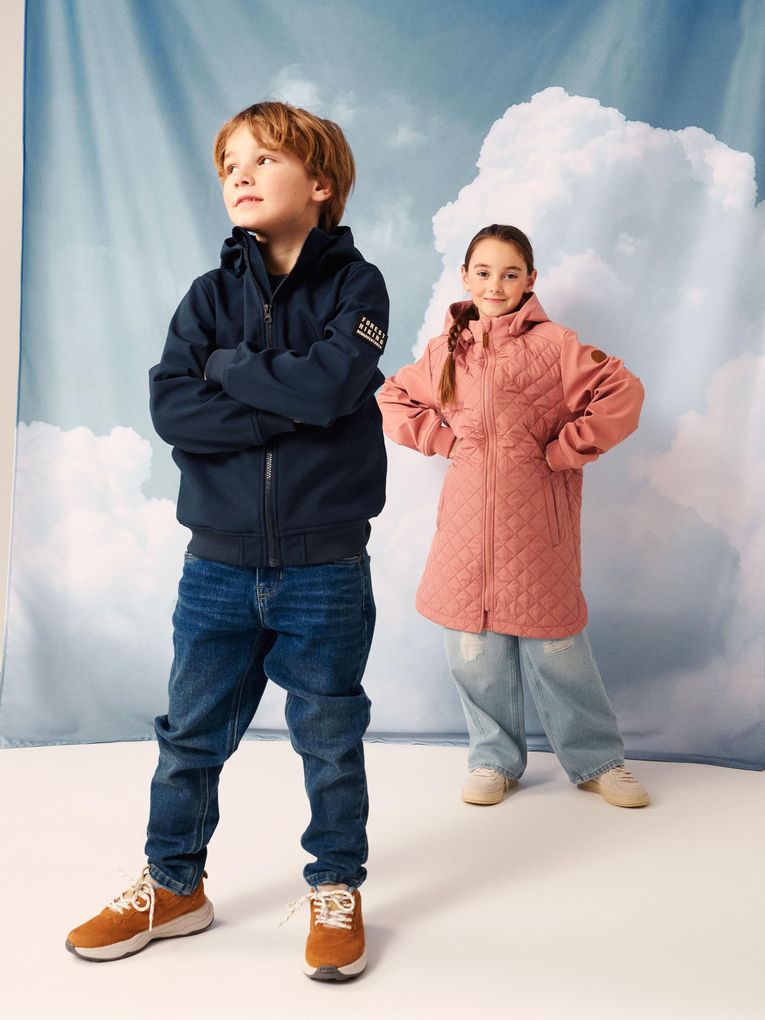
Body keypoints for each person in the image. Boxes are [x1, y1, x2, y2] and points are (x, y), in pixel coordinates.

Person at [66, 101, 389, 981]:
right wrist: (288, 408)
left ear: (319, 184)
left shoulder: (358, 289)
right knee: (189, 736)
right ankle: (174, 886)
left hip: (325, 565)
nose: (239, 175)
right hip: (215, 563)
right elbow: (174, 408)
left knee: (328, 737)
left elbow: (333, 388)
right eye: (228, 165)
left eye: (263, 159)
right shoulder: (206, 299)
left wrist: (235, 371)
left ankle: (335, 885)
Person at [377, 224, 649, 810]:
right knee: (474, 652)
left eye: (509, 273)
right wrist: (443, 439)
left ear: (530, 279)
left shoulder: (557, 345)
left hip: (539, 528)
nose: (495, 285)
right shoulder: (446, 349)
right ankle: (493, 760)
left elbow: (623, 394)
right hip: (466, 529)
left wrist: (567, 448)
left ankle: (599, 761)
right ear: (465, 277)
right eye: (483, 272)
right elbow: (392, 398)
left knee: (558, 649)